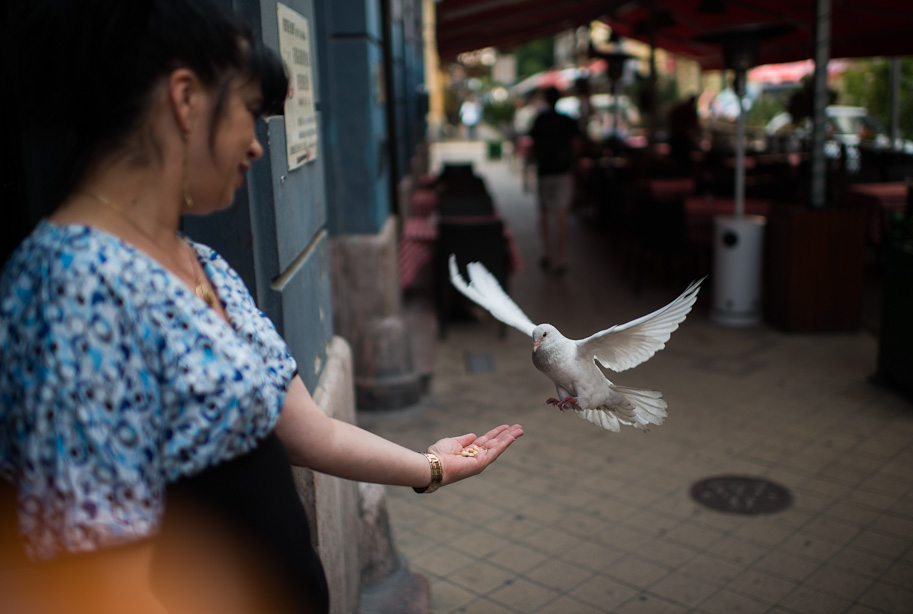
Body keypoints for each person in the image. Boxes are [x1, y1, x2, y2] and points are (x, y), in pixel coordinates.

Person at [0, 2, 523, 613]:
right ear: (185, 98)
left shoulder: (201, 264)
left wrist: (429, 466)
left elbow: (308, 428)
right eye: (250, 112)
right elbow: (98, 582)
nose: (256, 146)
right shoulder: (72, 287)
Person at [528, 86, 581, 275]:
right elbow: (576, 145)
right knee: (561, 215)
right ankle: (558, 259)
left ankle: (547, 253)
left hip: (545, 171)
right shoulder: (567, 121)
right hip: (562, 171)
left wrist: (527, 172)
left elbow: (532, 148)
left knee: (544, 213)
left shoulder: (540, 120)